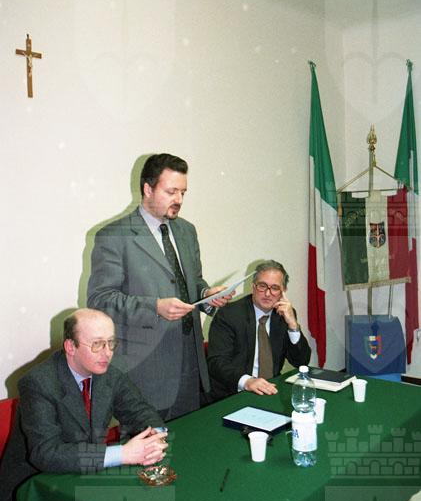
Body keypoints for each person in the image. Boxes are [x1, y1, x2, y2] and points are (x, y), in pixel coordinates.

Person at [87, 153, 232, 420]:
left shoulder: (187, 231)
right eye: (171, 191)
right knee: (150, 445)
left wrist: (206, 294)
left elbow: (193, 281)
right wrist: (154, 307)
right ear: (148, 189)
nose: (179, 199)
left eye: (183, 193)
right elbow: (100, 300)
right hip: (145, 370)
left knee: (189, 440)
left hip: (191, 364)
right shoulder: (114, 236)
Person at [0, 308, 167, 501]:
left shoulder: (110, 374)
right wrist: (123, 454)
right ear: (71, 347)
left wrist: (154, 438)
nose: (107, 353)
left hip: (85, 475)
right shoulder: (38, 383)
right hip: (35, 487)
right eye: (97, 344)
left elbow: (140, 411)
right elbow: (46, 454)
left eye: (111, 343)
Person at [207, 260, 311, 401]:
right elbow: (217, 362)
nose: (268, 293)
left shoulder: (284, 315)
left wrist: (293, 325)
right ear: (253, 287)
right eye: (262, 286)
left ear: (283, 291)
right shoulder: (229, 315)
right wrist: (247, 381)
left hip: (271, 390)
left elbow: (301, 362)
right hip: (232, 394)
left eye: (275, 288)